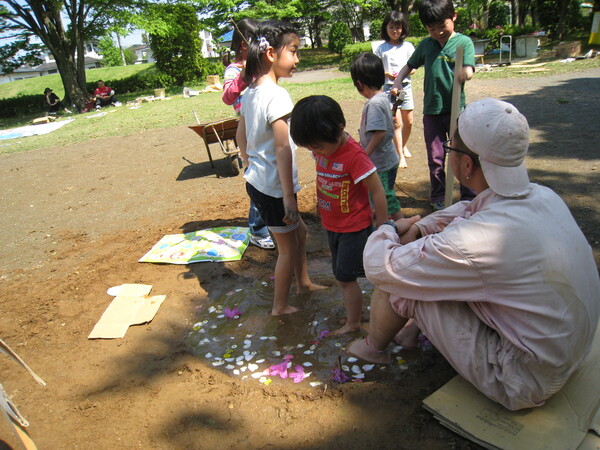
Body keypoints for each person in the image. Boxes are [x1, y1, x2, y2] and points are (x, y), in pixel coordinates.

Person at [348, 98, 600, 411]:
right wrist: (423, 226)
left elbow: (382, 268)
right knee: (438, 269)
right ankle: (412, 331)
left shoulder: (476, 241)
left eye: (451, 147)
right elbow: (468, 210)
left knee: (402, 283)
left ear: (466, 165)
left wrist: (389, 229)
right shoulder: (544, 196)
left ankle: (373, 349)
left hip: (524, 379)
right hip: (573, 348)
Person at [236, 20, 325, 315]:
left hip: (261, 181)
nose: (298, 59)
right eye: (294, 51)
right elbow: (283, 146)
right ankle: (280, 306)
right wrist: (288, 196)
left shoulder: (249, 92)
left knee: (299, 234)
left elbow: (241, 132)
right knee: (286, 248)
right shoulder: (277, 95)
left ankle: (304, 283)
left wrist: (248, 160)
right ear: (271, 53)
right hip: (275, 188)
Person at [290, 95, 388, 335]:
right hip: (333, 226)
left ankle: (354, 323)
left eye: (319, 147)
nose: (315, 152)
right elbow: (320, 151)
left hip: (354, 228)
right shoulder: (323, 148)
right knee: (342, 273)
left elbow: (378, 191)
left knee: (346, 279)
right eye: (310, 148)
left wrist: (384, 228)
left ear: (339, 129)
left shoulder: (354, 156)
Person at [391, 0, 475, 211]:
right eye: (431, 28)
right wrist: (398, 80)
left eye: (442, 26)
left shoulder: (463, 43)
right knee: (436, 157)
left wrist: (466, 72)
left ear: (453, 16)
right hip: (432, 111)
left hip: (457, 110)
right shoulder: (426, 45)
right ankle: (438, 196)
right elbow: (409, 66)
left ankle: (468, 196)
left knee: (462, 154)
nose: (438, 32)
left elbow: (469, 68)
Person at [221, 18, 275, 251]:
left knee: (269, 175)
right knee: (257, 177)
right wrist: (243, 76)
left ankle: (268, 221)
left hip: (266, 127)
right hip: (250, 131)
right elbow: (227, 97)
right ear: (244, 45)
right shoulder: (234, 69)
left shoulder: (261, 64)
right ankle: (257, 229)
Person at [350, 52, 402, 221]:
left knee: (386, 195)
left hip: (381, 163)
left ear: (359, 83)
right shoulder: (383, 98)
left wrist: (364, 154)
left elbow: (379, 133)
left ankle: (399, 222)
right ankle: (386, 219)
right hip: (386, 159)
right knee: (382, 194)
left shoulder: (374, 104)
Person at [375, 11, 415, 169]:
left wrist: (403, 74)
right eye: (391, 27)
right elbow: (376, 68)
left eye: (398, 27)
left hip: (406, 87)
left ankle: (403, 145)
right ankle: (399, 155)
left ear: (403, 28)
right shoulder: (381, 48)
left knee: (409, 122)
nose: (395, 31)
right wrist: (386, 74)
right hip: (388, 88)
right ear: (386, 28)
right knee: (396, 123)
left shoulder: (408, 47)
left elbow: (413, 68)